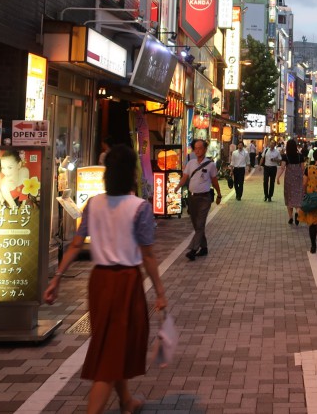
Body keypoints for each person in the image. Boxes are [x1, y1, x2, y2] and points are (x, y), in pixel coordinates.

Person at [44, 145, 166, 414]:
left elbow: (76, 245)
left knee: (112, 342)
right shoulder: (139, 208)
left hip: (98, 282)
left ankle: (126, 401)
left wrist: (57, 278)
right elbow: (148, 256)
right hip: (126, 283)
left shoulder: (93, 204)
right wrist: (159, 291)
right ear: (131, 173)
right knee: (112, 349)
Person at [177, 139, 223, 261]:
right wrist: (177, 187)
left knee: (200, 223)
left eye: (200, 148)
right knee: (196, 225)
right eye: (195, 148)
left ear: (205, 149)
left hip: (205, 198)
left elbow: (214, 181)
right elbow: (184, 178)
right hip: (192, 198)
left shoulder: (210, 165)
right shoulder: (191, 163)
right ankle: (204, 248)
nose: (197, 151)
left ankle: (193, 250)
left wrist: (219, 195)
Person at [282, 139, 305, 225]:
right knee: (298, 197)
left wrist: (278, 177)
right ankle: (297, 213)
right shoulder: (300, 156)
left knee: (289, 197)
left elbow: (282, 167)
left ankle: (290, 217)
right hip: (299, 179)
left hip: (288, 180)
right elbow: (303, 168)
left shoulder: (285, 156)